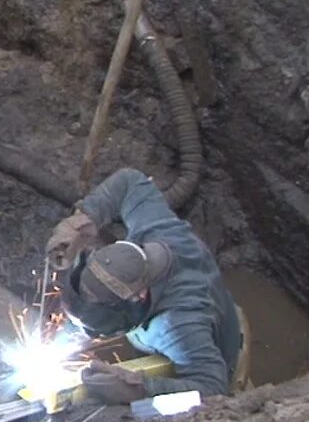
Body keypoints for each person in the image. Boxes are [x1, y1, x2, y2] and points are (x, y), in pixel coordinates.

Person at [44, 166, 243, 402]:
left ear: (138, 297)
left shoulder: (178, 326)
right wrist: (81, 222)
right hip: (206, 308)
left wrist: (140, 388)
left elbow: (213, 386)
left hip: (212, 357)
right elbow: (129, 181)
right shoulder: (155, 230)